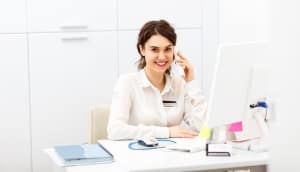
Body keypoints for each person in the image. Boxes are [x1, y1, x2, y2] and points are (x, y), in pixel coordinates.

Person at [107, 19, 207, 140]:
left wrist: (191, 83)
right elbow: (115, 131)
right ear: (142, 49)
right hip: (138, 155)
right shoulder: (127, 83)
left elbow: (203, 129)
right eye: (154, 49)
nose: (162, 57)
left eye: (168, 49)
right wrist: (167, 132)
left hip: (174, 156)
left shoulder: (179, 84)